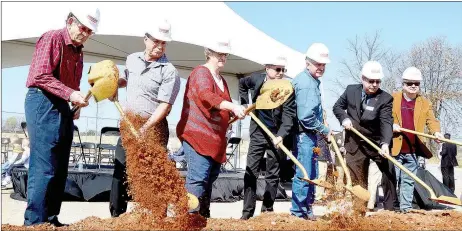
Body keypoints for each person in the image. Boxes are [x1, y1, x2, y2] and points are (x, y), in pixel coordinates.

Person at [23, 8, 99, 226]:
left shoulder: (78, 51)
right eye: (82, 27)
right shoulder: (52, 38)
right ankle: (35, 222)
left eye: (89, 31)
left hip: (61, 103)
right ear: (70, 21)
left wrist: (75, 102)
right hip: (42, 100)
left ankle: (50, 218)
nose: (85, 33)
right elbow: (40, 75)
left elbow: (72, 84)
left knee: (60, 166)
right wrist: (70, 94)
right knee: (45, 164)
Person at [109, 20, 181, 218]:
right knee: (121, 168)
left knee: (154, 173)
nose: (159, 46)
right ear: (146, 39)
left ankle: (157, 217)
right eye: (156, 41)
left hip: (154, 128)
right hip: (128, 124)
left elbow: (165, 106)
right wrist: (114, 85)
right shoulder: (132, 59)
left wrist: (146, 128)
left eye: (163, 43)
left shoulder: (169, 71)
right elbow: (127, 80)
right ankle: (117, 216)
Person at [176, 37, 245, 218]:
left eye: (225, 54)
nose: (223, 57)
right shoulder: (201, 72)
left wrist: (237, 111)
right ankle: (187, 219)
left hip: (215, 140)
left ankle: (202, 218)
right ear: (209, 53)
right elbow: (206, 95)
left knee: (208, 181)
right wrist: (232, 107)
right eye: (219, 53)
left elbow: (226, 104)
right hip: (198, 136)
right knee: (197, 180)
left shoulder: (221, 79)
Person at [332, 60, 398, 213]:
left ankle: (390, 209)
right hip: (354, 142)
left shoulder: (385, 98)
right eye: (371, 81)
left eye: (378, 81)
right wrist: (344, 118)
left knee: (388, 172)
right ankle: (358, 210)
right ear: (363, 78)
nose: (374, 84)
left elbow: (386, 122)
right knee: (357, 177)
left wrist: (385, 144)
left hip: (376, 142)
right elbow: (337, 107)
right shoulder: (350, 90)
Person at [239, 56, 296, 220]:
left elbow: (289, 115)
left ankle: (267, 210)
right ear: (267, 68)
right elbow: (242, 84)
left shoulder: (287, 88)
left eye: (283, 70)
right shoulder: (256, 79)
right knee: (251, 171)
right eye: (277, 69)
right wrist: (244, 104)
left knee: (273, 173)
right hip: (258, 131)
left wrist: (281, 135)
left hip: (276, 134)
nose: (281, 73)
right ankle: (247, 212)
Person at [391, 66, 443, 213]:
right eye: (409, 83)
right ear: (403, 84)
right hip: (394, 148)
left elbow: (431, 120)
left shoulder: (424, 103)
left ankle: (405, 209)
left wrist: (436, 133)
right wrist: (391, 124)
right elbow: (384, 117)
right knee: (393, 178)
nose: (413, 86)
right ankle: (392, 205)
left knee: (408, 180)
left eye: (416, 83)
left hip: (412, 150)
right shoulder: (393, 99)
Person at [290, 43, 331, 220]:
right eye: (317, 64)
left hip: (309, 134)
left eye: (323, 64)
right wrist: (324, 129)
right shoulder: (306, 83)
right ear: (308, 63)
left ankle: (306, 209)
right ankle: (298, 212)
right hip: (304, 134)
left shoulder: (310, 81)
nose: (321, 67)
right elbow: (306, 116)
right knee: (305, 173)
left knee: (311, 172)